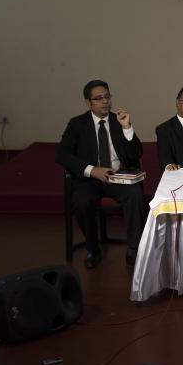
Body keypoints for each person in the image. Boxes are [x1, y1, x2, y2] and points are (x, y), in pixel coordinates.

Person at [57, 80, 146, 268]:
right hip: (91, 179)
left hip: (118, 177)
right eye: (99, 98)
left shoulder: (118, 120)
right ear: (88, 103)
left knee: (135, 194)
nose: (105, 102)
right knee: (82, 201)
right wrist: (91, 170)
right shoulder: (77, 124)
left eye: (107, 96)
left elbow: (136, 154)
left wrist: (127, 128)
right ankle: (93, 248)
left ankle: (134, 248)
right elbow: (62, 155)